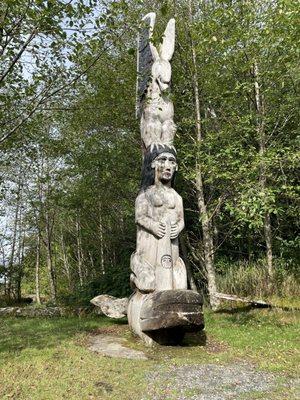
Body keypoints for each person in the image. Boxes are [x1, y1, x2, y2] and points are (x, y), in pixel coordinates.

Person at [130, 145, 187, 292]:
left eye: (172, 161)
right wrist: (153, 225)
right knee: (148, 285)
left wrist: (179, 227)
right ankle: (135, 277)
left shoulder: (177, 197)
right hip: (149, 255)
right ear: (153, 164)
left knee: (180, 288)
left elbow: (181, 220)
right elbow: (139, 217)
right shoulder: (146, 194)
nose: (168, 166)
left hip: (171, 255)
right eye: (162, 160)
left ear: (176, 167)